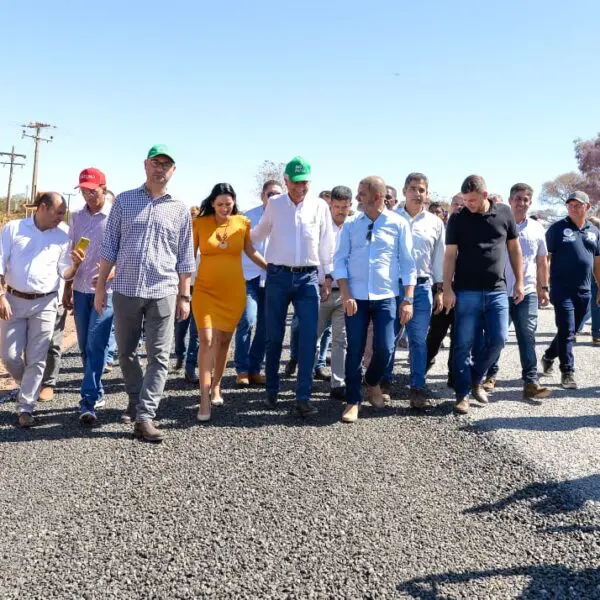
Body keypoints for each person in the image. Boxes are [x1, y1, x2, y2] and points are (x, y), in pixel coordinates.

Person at [96, 144, 195, 443]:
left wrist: (184, 296)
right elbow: (109, 248)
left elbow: (185, 257)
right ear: (145, 165)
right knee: (125, 352)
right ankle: (136, 397)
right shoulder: (124, 202)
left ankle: (145, 416)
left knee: (159, 356)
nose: (160, 168)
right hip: (125, 289)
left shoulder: (179, 208)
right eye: (155, 162)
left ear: (173, 170)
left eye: (166, 164)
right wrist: (101, 287)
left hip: (163, 291)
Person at [251, 156, 335, 417]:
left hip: (308, 279)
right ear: (286, 181)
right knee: (274, 336)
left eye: (306, 182)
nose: (301, 187)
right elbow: (257, 235)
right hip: (277, 276)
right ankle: (272, 390)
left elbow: (326, 245)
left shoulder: (320, 206)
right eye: (296, 182)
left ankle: (303, 396)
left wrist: (327, 278)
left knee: (309, 336)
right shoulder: (275, 205)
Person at [333, 176, 416, 423]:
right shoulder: (350, 224)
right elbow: (340, 261)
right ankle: (352, 401)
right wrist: (346, 294)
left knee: (386, 347)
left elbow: (408, 264)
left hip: (386, 296)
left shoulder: (398, 224)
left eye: (361, 193)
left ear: (377, 197)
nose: (357, 198)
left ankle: (371, 382)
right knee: (355, 348)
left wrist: (408, 298)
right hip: (355, 298)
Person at [443, 175, 524, 414]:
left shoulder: (504, 214)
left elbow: (514, 248)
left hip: (497, 290)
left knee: (499, 338)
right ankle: (462, 394)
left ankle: (475, 378)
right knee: (463, 344)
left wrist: (519, 282)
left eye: (473, 200)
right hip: (466, 291)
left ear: (485, 196)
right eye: (466, 200)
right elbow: (450, 255)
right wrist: (447, 287)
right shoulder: (457, 218)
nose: (469, 204)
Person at [193, 183, 267, 421]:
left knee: (224, 341)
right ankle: (204, 398)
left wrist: (271, 269)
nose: (225, 208)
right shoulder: (200, 224)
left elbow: (250, 251)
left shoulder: (242, 223)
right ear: (212, 204)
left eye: (229, 203)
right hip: (204, 290)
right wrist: (180, 285)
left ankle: (216, 385)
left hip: (234, 291)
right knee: (206, 339)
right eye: (220, 204)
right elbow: (187, 255)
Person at [0, 192, 70, 428]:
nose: (62, 217)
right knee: (9, 355)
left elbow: (65, 272)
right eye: (59, 212)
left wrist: (77, 265)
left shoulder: (63, 236)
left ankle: (26, 407)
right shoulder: (13, 228)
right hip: (13, 300)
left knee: (37, 358)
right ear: (42, 207)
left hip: (46, 303)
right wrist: (1, 296)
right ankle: (29, 384)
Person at [481, 184, 551, 400]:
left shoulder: (537, 228)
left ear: (530, 203)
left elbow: (541, 261)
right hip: (499, 290)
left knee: (527, 336)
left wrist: (544, 287)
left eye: (526, 199)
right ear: (510, 201)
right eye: (518, 199)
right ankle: (490, 375)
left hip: (527, 291)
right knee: (496, 337)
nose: (522, 203)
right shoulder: (497, 224)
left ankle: (530, 381)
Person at [383, 173, 445, 408]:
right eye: (413, 189)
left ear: (427, 193)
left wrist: (440, 289)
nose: (417, 194)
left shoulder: (435, 223)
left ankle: (417, 388)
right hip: (392, 287)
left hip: (421, 287)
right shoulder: (389, 219)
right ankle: (384, 384)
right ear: (404, 191)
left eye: (421, 190)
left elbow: (439, 260)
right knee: (388, 338)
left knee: (418, 340)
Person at [66, 168, 116, 424]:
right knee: (86, 347)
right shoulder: (76, 217)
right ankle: (97, 390)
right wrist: (67, 288)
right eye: (83, 190)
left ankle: (87, 401)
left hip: (105, 292)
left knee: (97, 343)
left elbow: (126, 253)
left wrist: (112, 273)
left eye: (92, 190)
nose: (87, 195)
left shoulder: (116, 215)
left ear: (103, 189)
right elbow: (70, 253)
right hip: (80, 289)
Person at [541, 191, 600, 388]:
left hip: (584, 291)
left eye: (578, 205)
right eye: (570, 205)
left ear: (587, 207)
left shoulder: (594, 231)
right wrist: (544, 285)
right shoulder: (557, 229)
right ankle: (567, 372)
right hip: (561, 289)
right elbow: (545, 258)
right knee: (567, 331)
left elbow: (597, 263)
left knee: (570, 330)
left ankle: (549, 355)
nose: (573, 208)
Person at [234, 180, 282, 387]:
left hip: (273, 279)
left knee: (266, 325)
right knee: (248, 319)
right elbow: (244, 247)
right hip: (250, 276)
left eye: (278, 194)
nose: (273, 198)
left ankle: (254, 368)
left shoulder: (286, 218)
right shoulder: (247, 218)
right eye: (270, 194)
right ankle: (241, 369)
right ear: (262, 195)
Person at [317, 185, 352, 400]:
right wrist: (325, 280)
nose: (339, 211)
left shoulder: (353, 227)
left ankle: (337, 383)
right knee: (312, 336)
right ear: (330, 205)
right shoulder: (321, 226)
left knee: (340, 339)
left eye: (344, 207)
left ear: (350, 206)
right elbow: (319, 255)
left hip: (344, 292)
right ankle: (304, 378)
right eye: (336, 206)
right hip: (321, 291)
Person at [425, 192, 464, 386]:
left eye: (463, 204)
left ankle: (453, 376)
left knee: (458, 336)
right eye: (456, 203)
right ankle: (423, 366)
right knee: (436, 333)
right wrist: (440, 288)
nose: (459, 207)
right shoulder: (440, 228)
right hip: (440, 287)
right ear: (450, 207)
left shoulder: (470, 229)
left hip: (462, 290)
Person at [173, 206, 203, 384]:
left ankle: (190, 368)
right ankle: (180, 354)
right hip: (183, 289)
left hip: (200, 289)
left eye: (196, 217)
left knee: (196, 332)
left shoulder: (205, 240)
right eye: (191, 217)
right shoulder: (181, 239)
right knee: (180, 328)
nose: (193, 220)